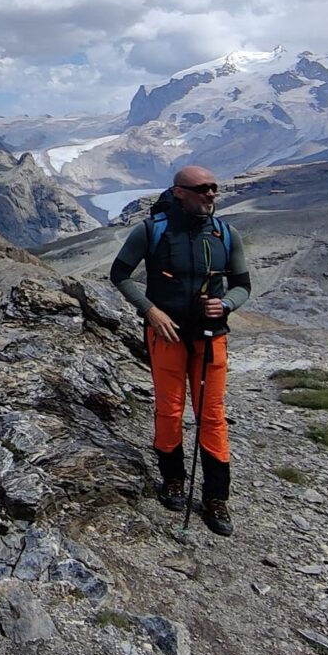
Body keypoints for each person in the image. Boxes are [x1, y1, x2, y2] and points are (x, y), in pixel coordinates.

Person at [108, 165, 251, 536]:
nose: (211, 195)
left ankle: (216, 497)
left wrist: (228, 305)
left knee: (212, 415)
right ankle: (173, 479)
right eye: (203, 188)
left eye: (214, 188)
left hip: (210, 335)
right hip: (166, 335)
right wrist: (150, 311)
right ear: (179, 193)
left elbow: (242, 284)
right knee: (170, 410)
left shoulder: (225, 233)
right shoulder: (151, 231)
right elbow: (120, 274)